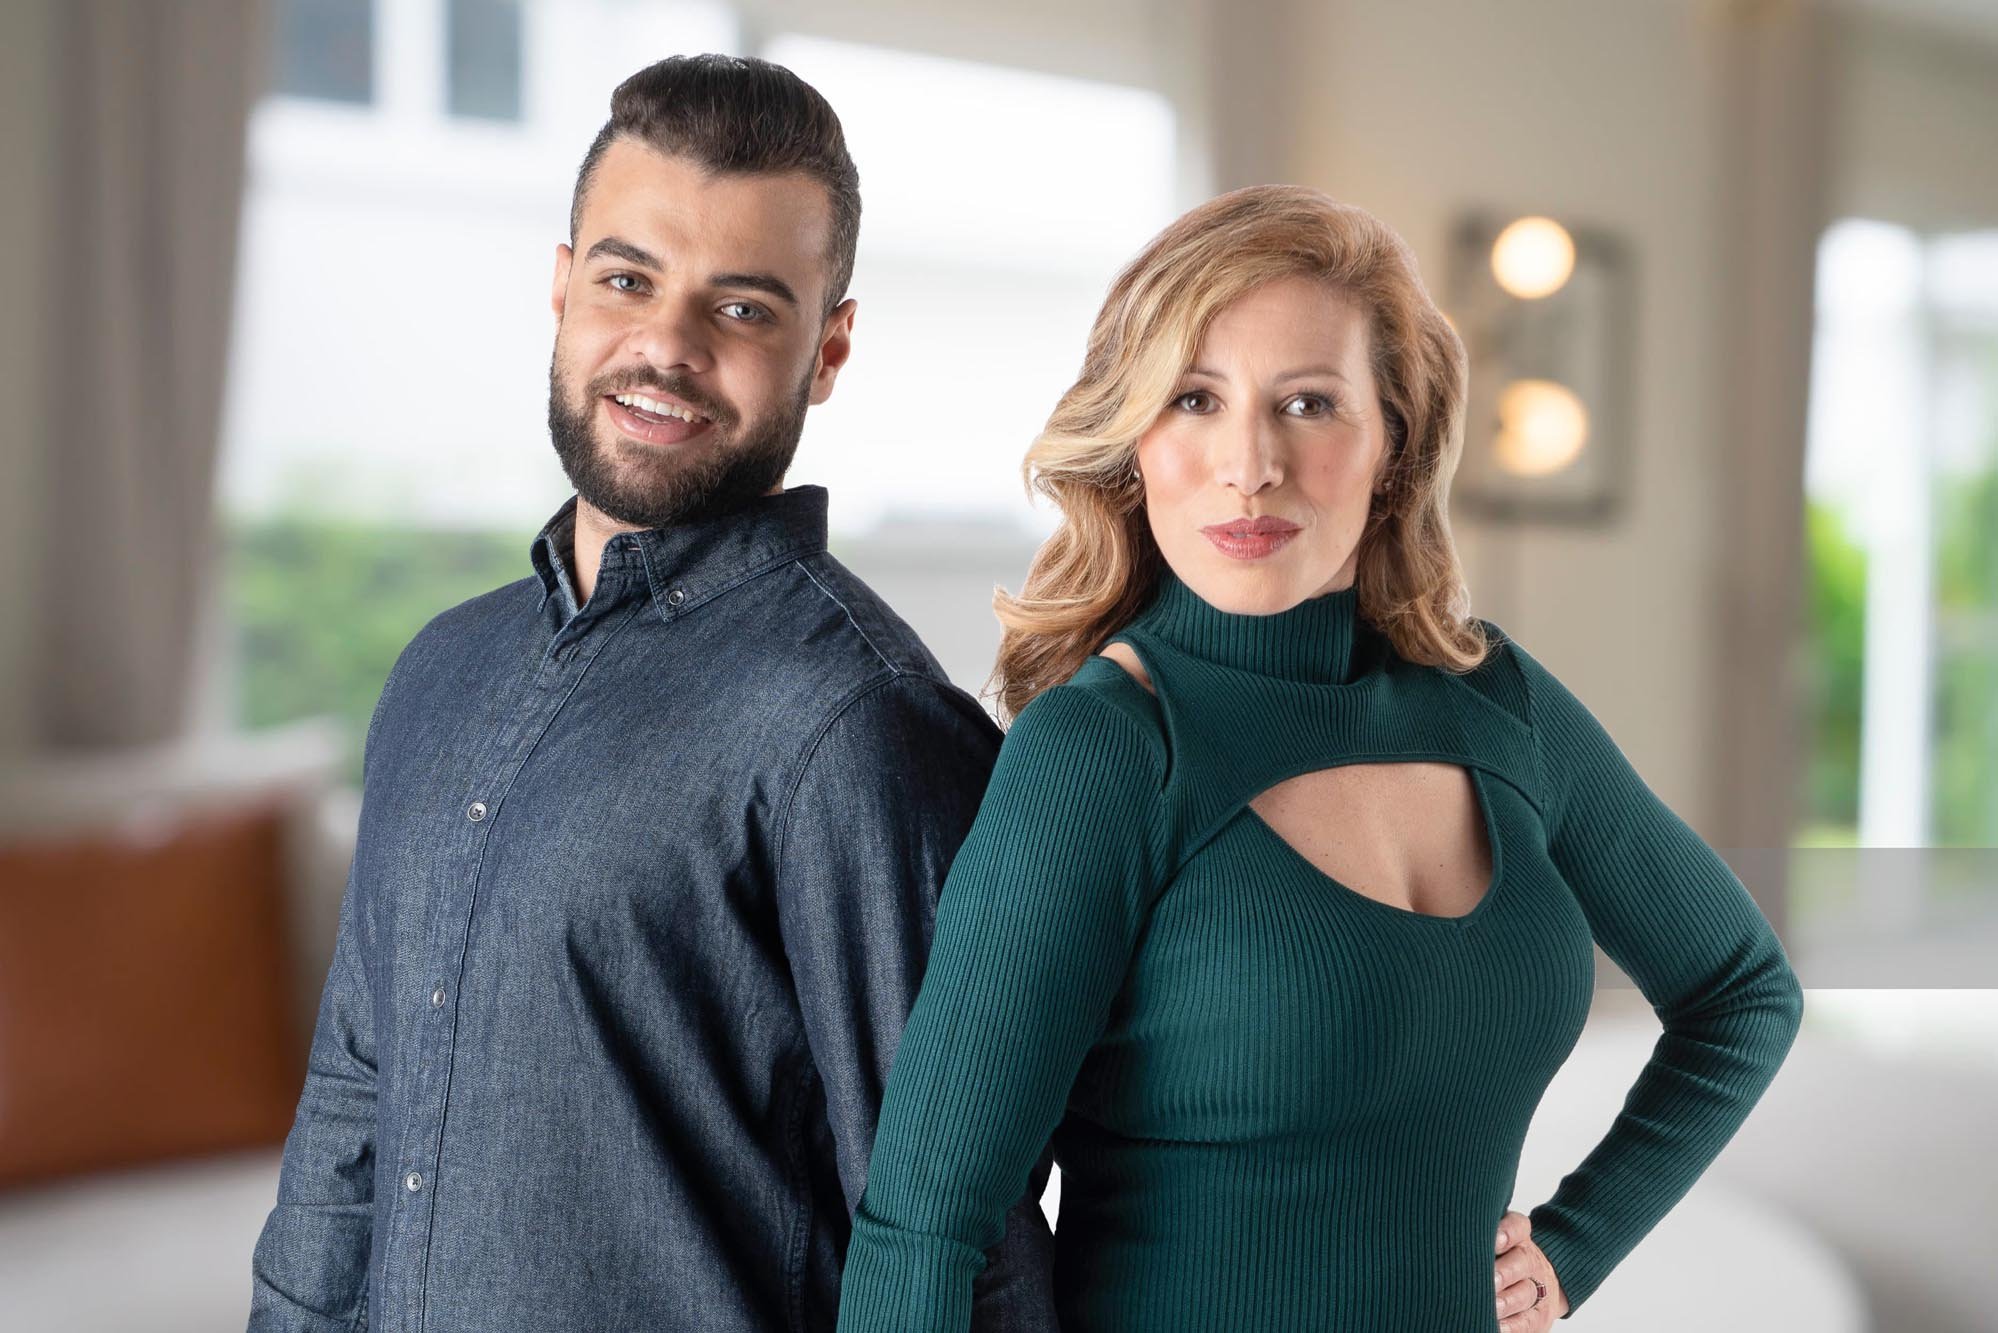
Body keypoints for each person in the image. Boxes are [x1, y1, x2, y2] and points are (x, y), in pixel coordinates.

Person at [835, 184, 1806, 1331]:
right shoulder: (1106, 751)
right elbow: (925, 1225)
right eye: (1194, 399)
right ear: (1134, 440)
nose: (1250, 464)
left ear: (1394, 442)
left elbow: (1744, 994)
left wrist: (1576, 1244)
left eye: (1308, 403)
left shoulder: (1497, 701)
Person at [247, 55, 1057, 1333]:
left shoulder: (860, 726)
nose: (667, 347)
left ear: (829, 349)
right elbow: (354, 1098)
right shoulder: (438, 670)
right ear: (563, 287)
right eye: (628, 281)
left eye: (742, 308)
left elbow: (957, 1234)